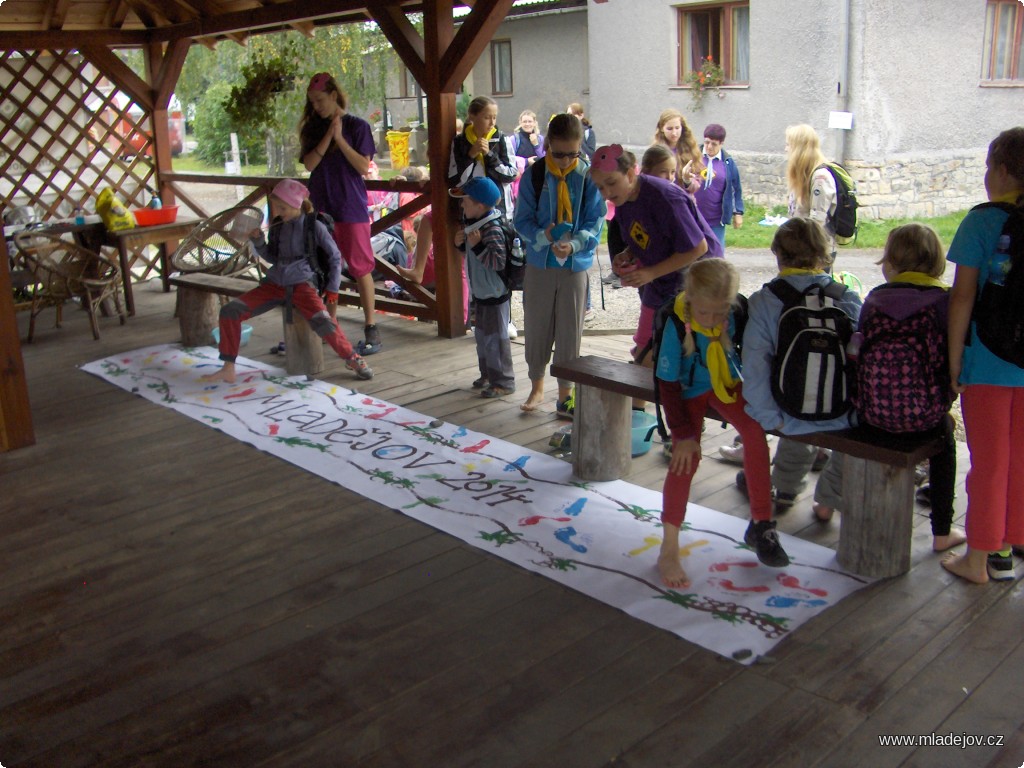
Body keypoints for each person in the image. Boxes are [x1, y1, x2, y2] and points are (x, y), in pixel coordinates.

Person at [656, 259, 790, 588]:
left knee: (755, 432)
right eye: (705, 314)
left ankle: (762, 523)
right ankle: (669, 546)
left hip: (724, 383)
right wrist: (684, 434)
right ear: (689, 300)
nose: (715, 321)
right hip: (686, 390)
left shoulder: (731, 315)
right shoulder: (677, 322)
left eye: (721, 313)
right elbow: (667, 384)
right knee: (686, 457)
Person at [836, 223, 964, 551]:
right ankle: (941, 531)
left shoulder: (876, 300)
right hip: (925, 416)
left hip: (872, 412)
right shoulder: (944, 302)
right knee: (945, 440)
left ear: (890, 261)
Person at [942, 126, 1024, 584]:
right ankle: (1006, 548)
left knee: (989, 462)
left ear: (1002, 170)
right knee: (1020, 458)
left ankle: (977, 559)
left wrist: (955, 361)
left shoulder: (982, 220)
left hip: (989, 361)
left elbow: (962, 298)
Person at [740, 217, 861, 517]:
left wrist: (771, 418)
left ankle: (785, 489)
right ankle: (828, 501)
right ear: (823, 254)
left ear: (777, 253)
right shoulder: (846, 297)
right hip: (843, 413)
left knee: (797, 406)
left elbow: (754, 367)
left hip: (788, 413)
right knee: (846, 444)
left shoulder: (766, 301)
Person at [202, 179, 372, 384]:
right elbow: (273, 258)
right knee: (230, 311)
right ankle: (228, 367)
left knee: (324, 321)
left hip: (302, 283)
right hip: (275, 283)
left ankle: (352, 358)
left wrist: (332, 288)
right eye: (277, 208)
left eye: (283, 208)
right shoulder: (278, 226)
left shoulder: (314, 226)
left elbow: (335, 257)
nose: (279, 212)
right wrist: (258, 241)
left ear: (296, 204)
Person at [589, 144, 722, 370]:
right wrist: (628, 254)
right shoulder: (624, 200)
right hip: (662, 281)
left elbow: (698, 247)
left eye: (611, 183)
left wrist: (650, 272)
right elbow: (643, 234)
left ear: (631, 173)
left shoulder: (665, 197)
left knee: (685, 354)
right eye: (600, 188)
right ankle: (640, 406)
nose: (607, 193)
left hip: (695, 284)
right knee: (644, 348)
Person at [513, 114, 606, 414]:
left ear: (580, 146)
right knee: (538, 327)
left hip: (574, 266)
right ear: (548, 144)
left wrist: (576, 242)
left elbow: (596, 219)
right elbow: (521, 220)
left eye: (573, 154)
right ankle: (537, 387)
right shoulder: (536, 175)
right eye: (559, 153)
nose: (566, 161)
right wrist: (545, 235)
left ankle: (565, 394)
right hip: (541, 264)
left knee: (570, 331)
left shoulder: (588, 176)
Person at [299, 72, 383, 356]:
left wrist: (340, 139)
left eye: (321, 100)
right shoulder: (312, 128)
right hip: (321, 207)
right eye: (313, 102)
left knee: (361, 268)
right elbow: (310, 164)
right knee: (324, 265)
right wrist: (327, 137)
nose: (317, 106)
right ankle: (329, 323)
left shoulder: (358, 127)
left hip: (350, 206)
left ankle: (371, 327)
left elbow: (363, 167)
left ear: (334, 95)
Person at [452, 177, 516, 399]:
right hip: (481, 293)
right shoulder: (476, 227)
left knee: (497, 339)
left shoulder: (491, 229)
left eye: (465, 201)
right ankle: (488, 374)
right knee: (482, 337)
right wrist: (462, 244)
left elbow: (497, 262)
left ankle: (504, 380)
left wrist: (476, 245)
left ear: (480, 204)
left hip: (494, 295)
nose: (462, 205)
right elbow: (472, 258)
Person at [447, 96, 518, 217]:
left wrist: (489, 155)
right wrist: (471, 155)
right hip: (471, 210)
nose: (492, 123)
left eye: (494, 117)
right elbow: (455, 180)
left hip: (499, 209)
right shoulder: (460, 142)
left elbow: (511, 175)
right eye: (487, 117)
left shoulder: (501, 139)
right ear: (472, 116)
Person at [785, 123, 839, 264]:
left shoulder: (820, 177)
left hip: (814, 251)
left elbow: (817, 222)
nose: (786, 149)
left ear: (799, 148)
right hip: (800, 247)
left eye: (789, 145)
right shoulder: (802, 176)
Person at [694, 123, 744, 249]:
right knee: (692, 255)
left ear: (721, 143)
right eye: (707, 142)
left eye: (714, 144)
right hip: (693, 217)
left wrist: (737, 213)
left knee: (715, 257)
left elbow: (736, 189)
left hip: (716, 220)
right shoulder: (693, 156)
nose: (709, 147)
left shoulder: (728, 163)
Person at [652, 108, 703, 194]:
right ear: (661, 129)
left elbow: (697, 183)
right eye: (669, 129)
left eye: (677, 128)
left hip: (683, 202)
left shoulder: (691, 150)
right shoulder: (655, 152)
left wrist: (687, 181)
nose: (674, 133)